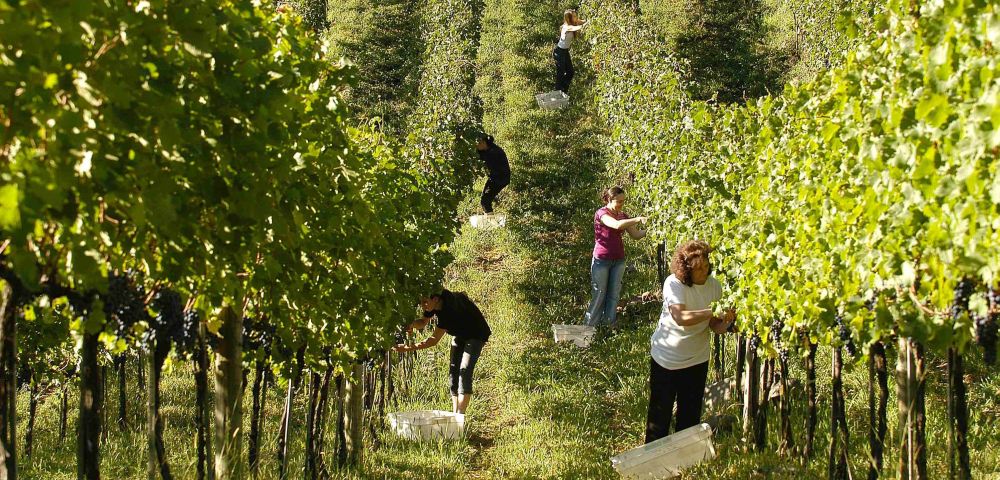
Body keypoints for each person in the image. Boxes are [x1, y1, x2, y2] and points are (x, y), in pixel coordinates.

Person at [645, 240, 735, 443]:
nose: (704, 271)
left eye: (706, 265)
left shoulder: (714, 286)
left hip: (697, 360)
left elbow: (713, 325)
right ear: (686, 270)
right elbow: (681, 317)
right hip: (667, 360)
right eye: (699, 268)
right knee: (659, 417)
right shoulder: (673, 284)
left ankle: (683, 461)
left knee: (690, 416)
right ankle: (650, 461)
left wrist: (729, 324)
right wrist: (713, 310)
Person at [394, 290, 492, 414]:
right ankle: (454, 413)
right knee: (453, 372)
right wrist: (411, 324)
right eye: (421, 302)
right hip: (460, 333)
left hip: (476, 334)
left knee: (465, 371)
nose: (422, 305)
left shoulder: (448, 311)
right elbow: (423, 323)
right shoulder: (435, 303)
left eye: (425, 302)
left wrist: (408, 348)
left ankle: (460, 415)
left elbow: (433, 340)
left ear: (435, 299)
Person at [585, 186, 646, 329]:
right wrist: (637, 219)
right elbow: (617, 225)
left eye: (623, 201)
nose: (621, 204)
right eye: (618, 201)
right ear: (609, 199)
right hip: (601, 261)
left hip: (619, 260)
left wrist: (651, 230)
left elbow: (636, 235)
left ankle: (608, 325)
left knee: (614, 294)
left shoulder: (623, 215)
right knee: (599, 293)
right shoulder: (602, 213)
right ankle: (589, 328)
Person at [553, 9, 588, 96]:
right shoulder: (567, 27)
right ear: (569, 18)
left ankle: (564, 91)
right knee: (560, 73)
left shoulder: (574, 22)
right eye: (574, 16)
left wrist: (590, 20)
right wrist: (585, 25)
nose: (576, 18)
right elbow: (578, 27)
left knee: (570, 72)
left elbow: (583, 22)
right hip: (559, 52)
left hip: (565, 51)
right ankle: (558, 92)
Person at [476, 134, 510, 215]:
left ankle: (491, 222)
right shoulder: (488, 148)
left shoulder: (493, 152)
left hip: (500, 178)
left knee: (485, 201)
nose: (476, 146)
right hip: (496, 177)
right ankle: (490, 218)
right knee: (485, 200)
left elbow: (480, 159)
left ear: (483, 143)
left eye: (477, 144)